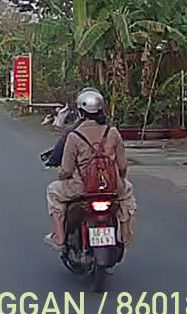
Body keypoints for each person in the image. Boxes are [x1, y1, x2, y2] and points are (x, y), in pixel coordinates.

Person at [45, 88, 134, 250]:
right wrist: (119, 180)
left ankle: (59, 236)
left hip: (82, 188)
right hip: (111, 186)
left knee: (53, 191)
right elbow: (122, 165)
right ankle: (125, 232)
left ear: (80, 112)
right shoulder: (112, 132)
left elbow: (67, 170)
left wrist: (62, 176)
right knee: (127, 192)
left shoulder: (74, 136)